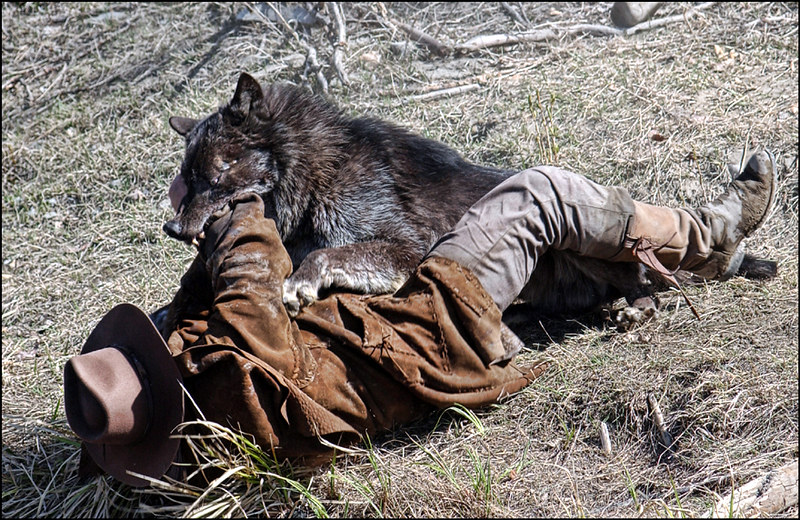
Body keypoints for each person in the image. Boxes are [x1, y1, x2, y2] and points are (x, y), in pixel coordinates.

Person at [63, 150, 776, 487]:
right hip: (434, 326)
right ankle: (709, 236)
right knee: (541, 195)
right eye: (158, 347)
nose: (170, 338)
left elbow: (222, 313)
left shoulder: (198, 425)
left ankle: (697, 257)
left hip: (412, 336)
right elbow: (253, 268)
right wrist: (222, 205)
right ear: (166, 376)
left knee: (533, 224)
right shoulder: (227, 382)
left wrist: (182, 304)